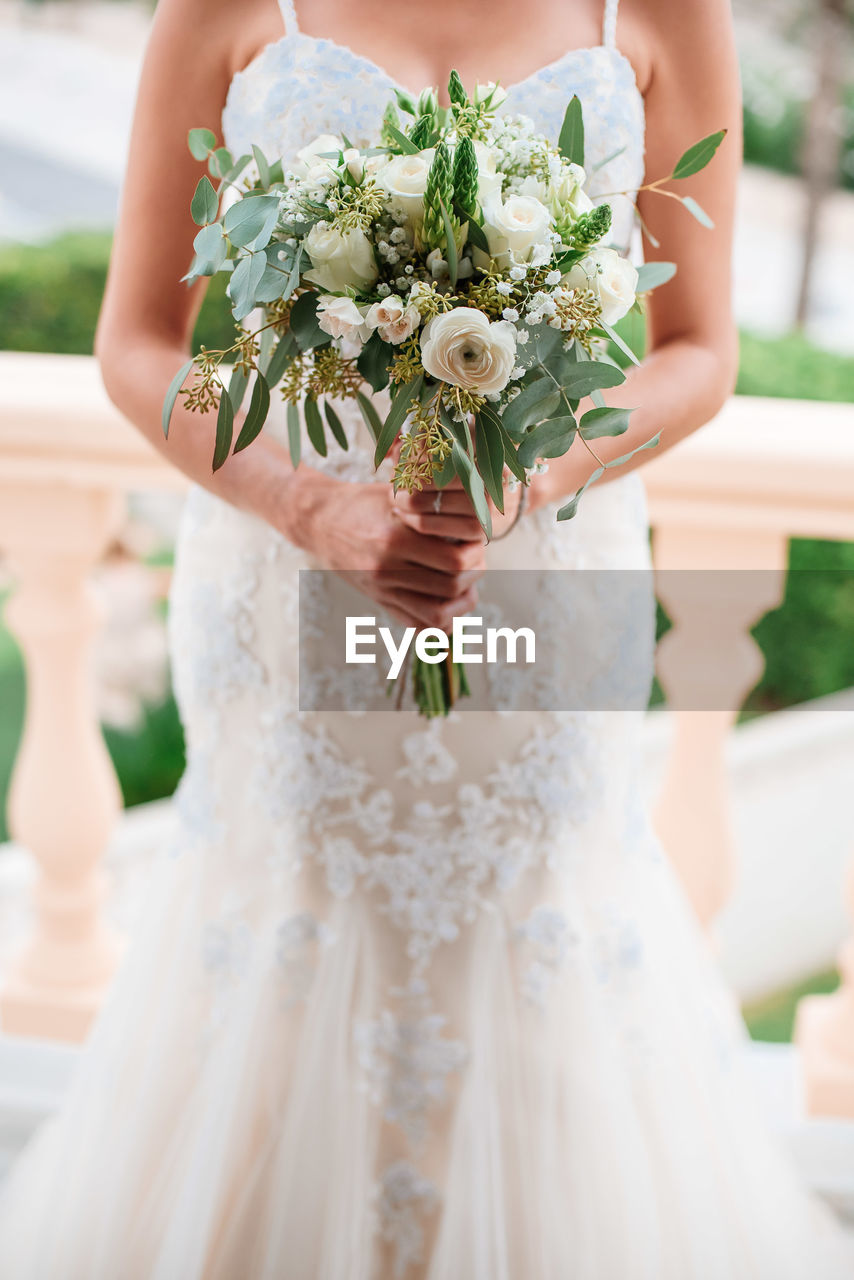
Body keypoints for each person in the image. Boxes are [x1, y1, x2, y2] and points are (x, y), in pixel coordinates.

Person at [1, 0, 851, 1275]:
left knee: (539, 895)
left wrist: (540, 473)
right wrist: (309, 505)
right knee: (290, 885)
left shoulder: (665, 13)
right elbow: (137, 342)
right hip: (283, 557)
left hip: (543, 568)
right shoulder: (225, 8)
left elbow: (698, 348)